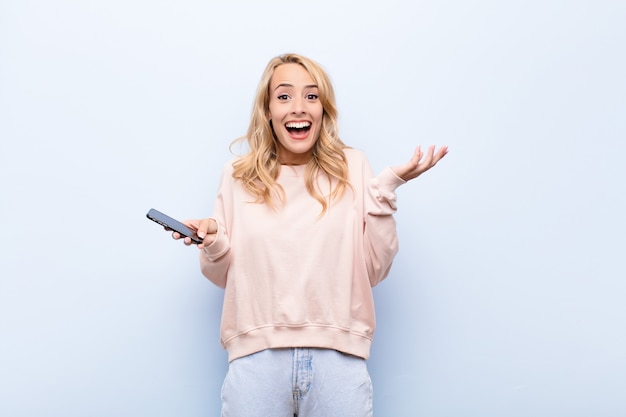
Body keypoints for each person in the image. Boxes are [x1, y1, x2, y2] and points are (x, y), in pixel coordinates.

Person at [172, 53, 447, 417]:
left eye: (311, 96)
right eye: (284, 96)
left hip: (340, 361)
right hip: (256, 361)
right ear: (267, 110)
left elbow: (375, 268)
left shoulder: (353, 167)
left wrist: (386, 189)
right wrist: (214, 242)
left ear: (323, 109)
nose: (298, 108)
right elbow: (222, 275)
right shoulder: (238, 175)